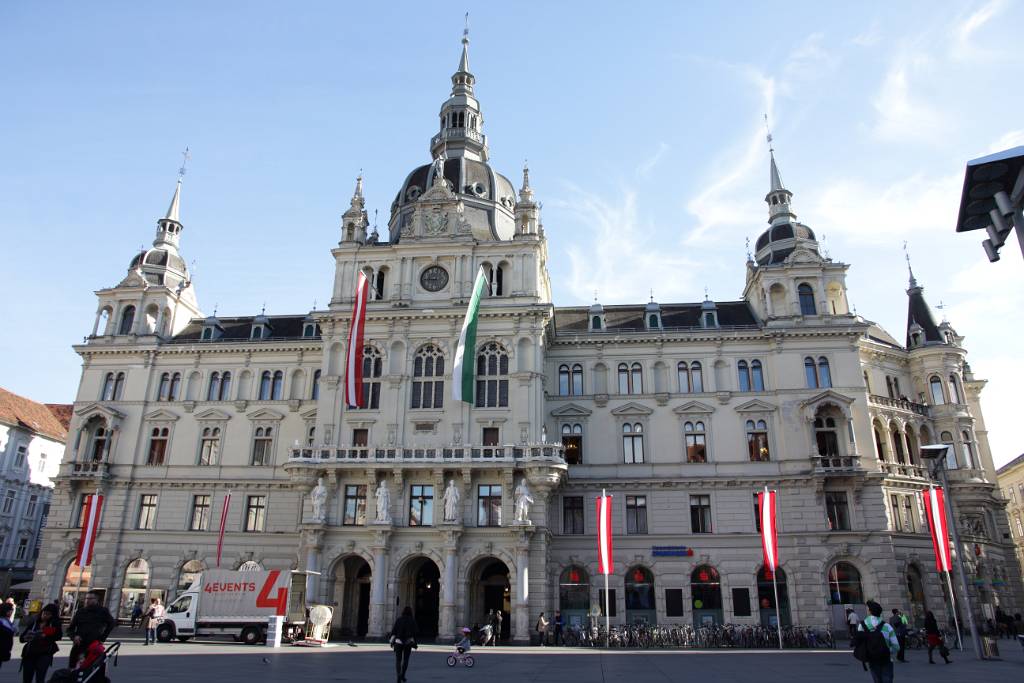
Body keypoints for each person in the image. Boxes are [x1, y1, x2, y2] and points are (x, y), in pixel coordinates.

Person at [66, 590, 115, 669]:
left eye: (90, 598)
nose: (87, 600)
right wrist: (74, 637)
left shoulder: (103, 611)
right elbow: (70, 629)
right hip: (79, 645)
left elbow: (111, 624)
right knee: (74, 668)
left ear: (96, 600)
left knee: (92, 669)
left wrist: (102, 638)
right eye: (86, 598)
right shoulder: (80, 611)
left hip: (94, 645)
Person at [855, 600, 899, 683]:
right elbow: (896, 646)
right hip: (886, 659)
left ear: (870, 612)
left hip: (872, 658)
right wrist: (886, 651)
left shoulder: (862, 626)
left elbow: (859, 644)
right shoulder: (887, 626)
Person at [19, 603, 62, 683]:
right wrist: (26, 637)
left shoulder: (54, 624)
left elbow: (58, 636)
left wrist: (45, 636)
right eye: (44, 613)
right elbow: (22, 638)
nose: (45, 616)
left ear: (52, 615)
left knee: (40, 678)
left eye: (48, 614)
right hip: (30, 653)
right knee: (27, 678)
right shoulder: (35, 623)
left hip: (44, 654)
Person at [389, 606, 417, 683]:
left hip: (398, 642)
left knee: (398, 660)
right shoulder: (412, 620)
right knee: (406, 660)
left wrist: (392, 641)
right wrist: (415, 643)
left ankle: (398, 675)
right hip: (408, 642)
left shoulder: (399, 620)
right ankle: (403, 675)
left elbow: (394, 631)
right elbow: (415, 633)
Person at [0, 603, 14, 670]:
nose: (12, 611)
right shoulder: (2, 621)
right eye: (11, 610)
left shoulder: (7, 620)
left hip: (4, 650)